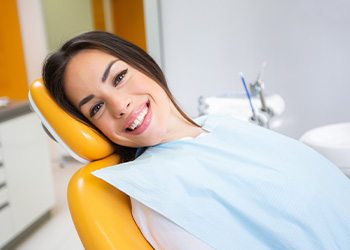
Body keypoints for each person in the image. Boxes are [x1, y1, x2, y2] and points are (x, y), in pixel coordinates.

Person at [43, 31, 350, 250]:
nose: (120, 105)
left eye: (119, 77)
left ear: (142, 63)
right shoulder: (159, 194)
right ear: (92, 128)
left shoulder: (217, 124)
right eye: (96, 107)